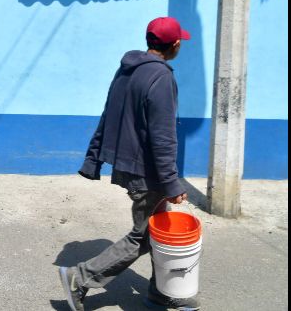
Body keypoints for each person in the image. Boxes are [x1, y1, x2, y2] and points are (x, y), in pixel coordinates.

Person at [57, 16, 199, 311]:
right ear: (174, 45)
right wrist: (172, 182)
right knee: (143, 236)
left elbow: (107, 113)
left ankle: (161, 293)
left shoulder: (127, 71)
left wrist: (94, 157)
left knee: (155, 232)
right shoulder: (161, 77)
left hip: (131, 165)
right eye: (179, 42)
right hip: (147, 171)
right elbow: (163, 137)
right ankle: (79, 278)